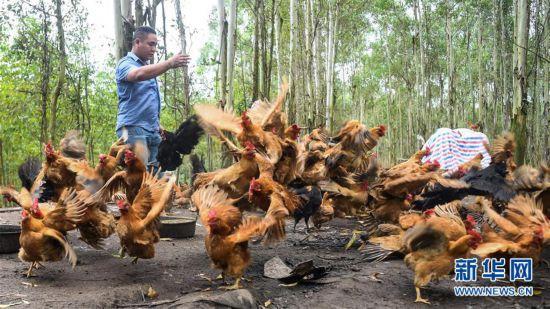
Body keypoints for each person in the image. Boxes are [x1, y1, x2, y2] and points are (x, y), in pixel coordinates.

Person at [115, 26, 190, 171]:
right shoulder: (125, 64)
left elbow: (145, 102)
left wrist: (159, 126)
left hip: (152, 131)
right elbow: (137, 75)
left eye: (155, 45)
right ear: (137, 42)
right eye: (151, 44)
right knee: (139, 176)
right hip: (132, 128)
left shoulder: (148, 68)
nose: (154, 49)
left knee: (156, 178)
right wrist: (169, 63)